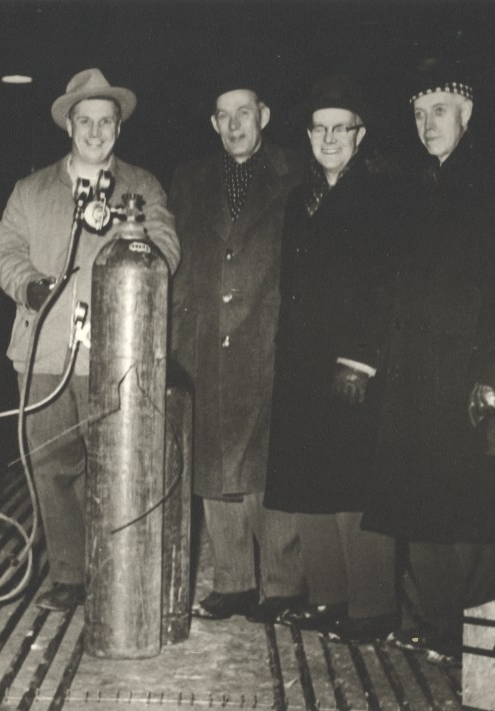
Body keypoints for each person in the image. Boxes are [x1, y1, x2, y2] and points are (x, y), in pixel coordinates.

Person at [362, 62, 495, 661]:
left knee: (480, 523)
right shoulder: (424, 186)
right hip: (420, 378)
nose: (425, 124)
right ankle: (437, 629)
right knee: (425, 510)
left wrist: (494, 378)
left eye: (438, 111)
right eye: (417, 114)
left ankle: (478, 638)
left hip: (473, 379)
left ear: (467, 115)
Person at [0, 68, 179, 612]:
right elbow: (4, 252)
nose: (95, 132)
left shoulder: (141, 187)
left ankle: (116, 576)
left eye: (106, 122)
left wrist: (133, 238)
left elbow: (167, 248)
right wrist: (29, 286)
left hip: (114, 355)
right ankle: (69, 576)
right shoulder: (30, 190)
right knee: (52, 468)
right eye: (85, 121)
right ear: (68, 125)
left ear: (118, 130)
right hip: (44, 354)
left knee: (116, 468)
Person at [263, 75, 399, 642]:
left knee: (352, 487)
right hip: (300, 360)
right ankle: (327, 599)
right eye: (320, 128)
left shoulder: (380, 197)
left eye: (342, 128)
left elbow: (384, 286)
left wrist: (361, 361)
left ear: (360, 135)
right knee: (308, 482)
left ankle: (371, 610)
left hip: (349, 365)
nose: (330, 137)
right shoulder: (302, 198)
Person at [170, 75, 307, 622]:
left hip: (268, 334)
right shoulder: (188, 178)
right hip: (202, 337)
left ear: (264, 116)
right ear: (213, 123)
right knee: (213, 462)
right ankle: (232, 583)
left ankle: (282, 586)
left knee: (268, 464)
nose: (234, 125)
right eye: (223, 115)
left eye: (244, 113)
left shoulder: (295, 173)